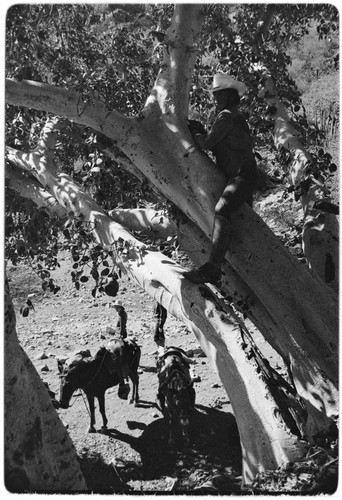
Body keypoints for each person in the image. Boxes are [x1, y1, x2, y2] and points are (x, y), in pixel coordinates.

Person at [183, 73, 258, 285]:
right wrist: (202, 131)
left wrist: (196, 134)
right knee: (241, 228)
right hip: (243, 174)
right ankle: (243, 279)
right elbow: (219, 144)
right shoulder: (232, 116)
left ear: (228, 96)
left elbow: (207, 144)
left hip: (242, 174)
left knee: (222, 209)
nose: (215, 99)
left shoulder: (226, 116)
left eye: (218, 95)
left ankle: (213, 269)